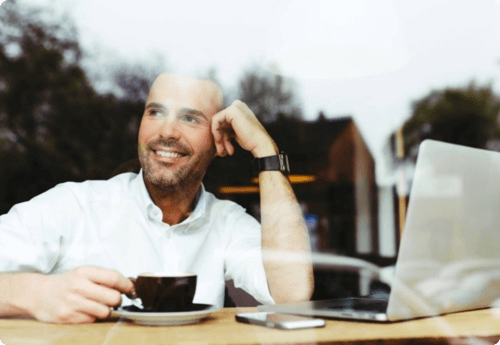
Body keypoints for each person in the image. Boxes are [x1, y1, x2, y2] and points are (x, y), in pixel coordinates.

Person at [0, 73, 314, 324]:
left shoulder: (228, 223)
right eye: (156, 112)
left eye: (190, 118)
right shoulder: (74, 205)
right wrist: (37, 294)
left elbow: (292, 294)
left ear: (221, 141)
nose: (167, 131)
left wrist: (265, 151)